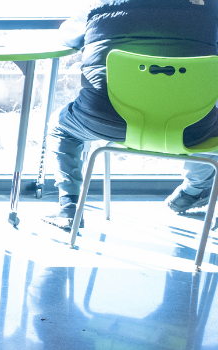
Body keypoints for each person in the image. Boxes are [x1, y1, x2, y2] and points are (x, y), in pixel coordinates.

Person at [43, 0, 218, 228]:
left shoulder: (96, 5)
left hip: (106, 119)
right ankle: (194, 190)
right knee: (207, 131)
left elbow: (66, 39)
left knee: (61, 126)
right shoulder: (209, 7)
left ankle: (68, 208)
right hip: (190, 127)